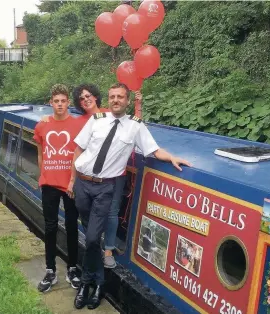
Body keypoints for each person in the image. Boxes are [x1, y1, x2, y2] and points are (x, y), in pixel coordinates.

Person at [72, 83, 192, 310]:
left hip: (105, 189)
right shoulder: (96, 120)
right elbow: (78, 149)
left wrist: (172, 157)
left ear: (127, 101)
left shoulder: (135, 127)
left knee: (90, 239)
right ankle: (93, 281)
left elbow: (154, 150)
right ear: (108, 99)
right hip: (82, 185)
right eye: (112, 96)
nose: (116, 100)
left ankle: (91, 283)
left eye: (120, 97)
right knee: (92, 239)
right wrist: (72, 180)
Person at [43, 83, 143, 269]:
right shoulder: (80, 121)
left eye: (89, 95)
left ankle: (108, 250)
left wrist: (138, 106)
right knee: (88, 214)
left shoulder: (109, 112)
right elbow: (70, 139)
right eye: (81, 98)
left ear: (96, 96)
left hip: (114, 174)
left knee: (112, 212)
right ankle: (93, 247)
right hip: (89, 177)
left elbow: (133, 126)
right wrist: (47, 119)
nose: (86, 99)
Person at [33, 84, 81, 293]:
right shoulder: (42, 126)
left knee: (72, 227)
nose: (60, 104)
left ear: (68, 102)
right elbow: (40, 153)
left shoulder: (78, 125)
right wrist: (43, 173)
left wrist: (74, 180)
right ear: (50, 103)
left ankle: (72, 268)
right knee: (50, 227)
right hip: (50, 184)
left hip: (70, 184)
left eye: (63, 101)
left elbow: (80, 155)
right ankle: (50, 270)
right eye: (56, 101)